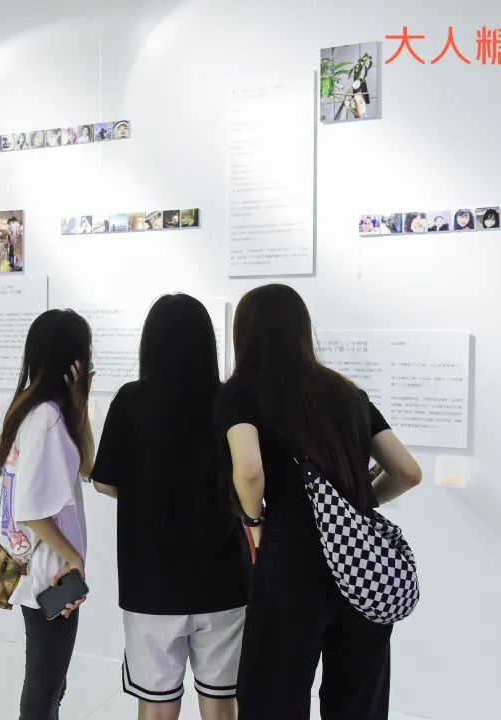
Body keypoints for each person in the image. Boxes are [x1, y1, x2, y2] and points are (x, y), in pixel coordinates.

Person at [216, 284, 422, 720]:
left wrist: (253, 521)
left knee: (274, 698)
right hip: (360, 560)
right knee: (358, 701)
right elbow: (407, 471)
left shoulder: (241, 393)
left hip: (290, 560)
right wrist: (359, 504)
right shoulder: (347, 393)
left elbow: (249, 469)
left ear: (244, 333)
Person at [92, 294, 247, 720]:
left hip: (149, 580)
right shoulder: (228, 400)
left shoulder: (130, 400)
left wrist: (143, 494)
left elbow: (104, 480)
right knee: (221, 701)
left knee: (156, 704)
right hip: (222, 578)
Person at [0, 309, 94, 720]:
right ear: (74, 362)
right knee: (43, 691)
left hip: (33, 568)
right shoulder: (48, 418)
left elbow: (88, 466)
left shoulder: (35, 408)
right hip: (51, 573)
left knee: (50, 684)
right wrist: (73, 557)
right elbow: (31, 510)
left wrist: (80, 404)